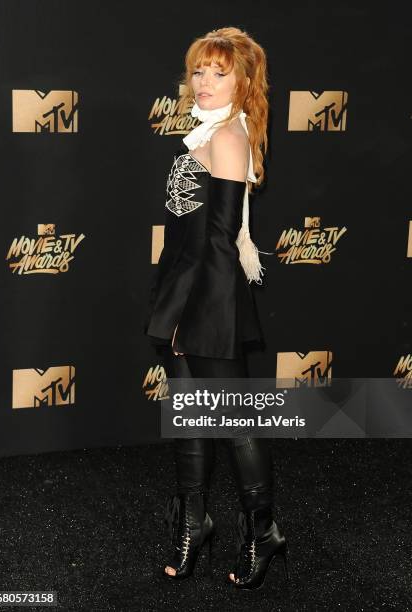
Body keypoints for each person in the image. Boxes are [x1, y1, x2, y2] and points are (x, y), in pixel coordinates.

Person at [144, 27, 289, 591]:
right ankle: (195, 521)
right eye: (198, 71)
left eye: (218, 72)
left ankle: (263, 529)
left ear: (244, 79)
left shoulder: (228, 138)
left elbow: (223, 240)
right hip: (182, 294)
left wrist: (190, 318)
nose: (202, 82)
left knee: (235, 424)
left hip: (209, 301)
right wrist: (169, 304)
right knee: (190, 417)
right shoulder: (203, 132)